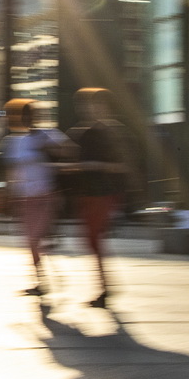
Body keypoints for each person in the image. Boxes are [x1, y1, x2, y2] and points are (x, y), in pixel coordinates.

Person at [1, 98, 72, 296]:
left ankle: (48, 244)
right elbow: (11, 172)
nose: (26, 119)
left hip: (45, 195)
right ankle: (40, 281)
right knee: (31, 242)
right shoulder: (14, 142)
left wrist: (48, 150)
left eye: (29, 115)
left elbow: (69, 150)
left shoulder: (48, 135)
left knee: (35, 238)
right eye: (23, 116)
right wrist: (9, 194)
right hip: (24, 198)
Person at [66, 87, 129, 308]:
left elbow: (122, 166)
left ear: (106, 107)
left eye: (97, 105)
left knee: (93, 240)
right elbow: (74, 161)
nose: (92, 109)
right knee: (89, 241)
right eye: (88, 105)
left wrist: (96, 165)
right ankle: (105, 286)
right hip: (87, 193)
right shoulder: (81, 133)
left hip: (105, 192)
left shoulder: (114, 132)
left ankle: (104, 288)